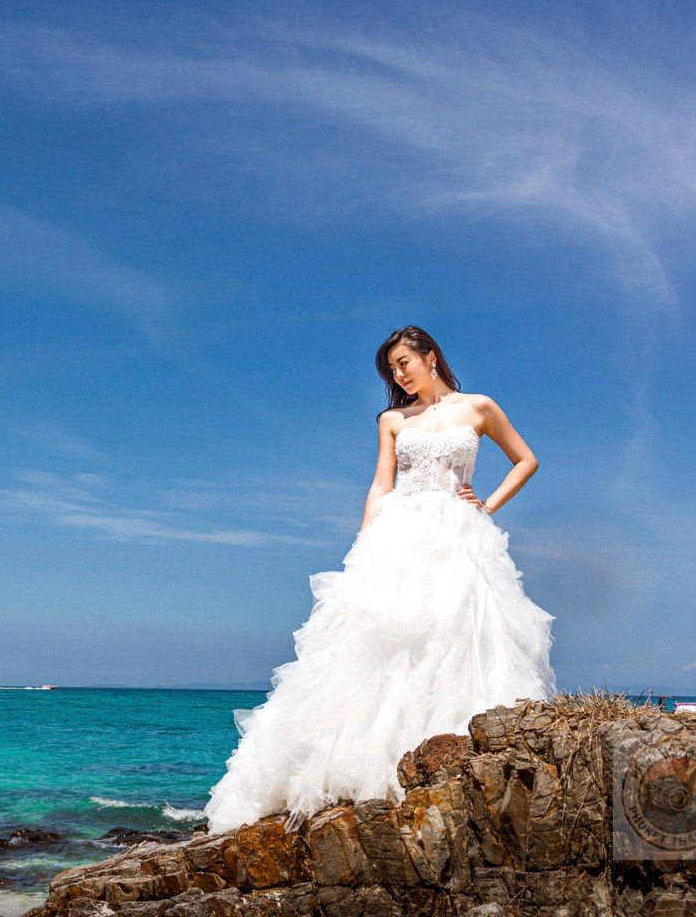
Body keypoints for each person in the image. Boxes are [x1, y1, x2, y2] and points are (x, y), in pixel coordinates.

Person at [204, 326, 556, 833]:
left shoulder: (478, 407)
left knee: (455, 637)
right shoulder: (392, 419)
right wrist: (364, 544)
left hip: (458, 535)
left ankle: (452, 761)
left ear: (430, 357)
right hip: (399, 535)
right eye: (391, 369)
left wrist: (487, 506)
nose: (398, 374)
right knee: (382, 648)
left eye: (404, 363)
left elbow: (527, 460)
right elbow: (380, 483)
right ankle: (369, 771)